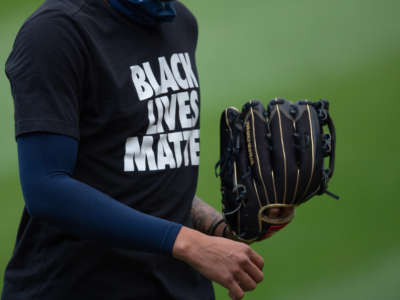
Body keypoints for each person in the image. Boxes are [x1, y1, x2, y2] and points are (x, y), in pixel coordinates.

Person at [2, 0, 273, 299]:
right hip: (75, 287)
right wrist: (188, 243)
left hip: (180, 288)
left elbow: (144, 168)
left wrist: (219, 229)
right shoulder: (55, 34)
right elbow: (46, 188)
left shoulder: (178, 23)